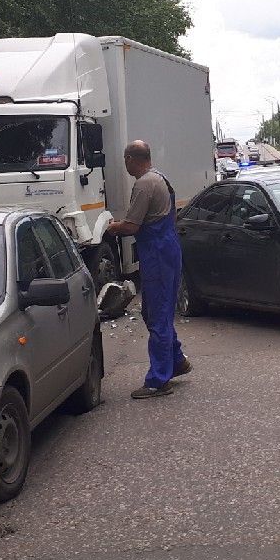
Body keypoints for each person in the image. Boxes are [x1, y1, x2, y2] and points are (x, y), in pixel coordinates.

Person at [105, 140, 193, 399]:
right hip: (166, 247)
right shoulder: (160, 178)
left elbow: (131, 227)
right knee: (154, 310)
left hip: (156, 253)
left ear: (131, 158)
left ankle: (159, 380)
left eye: (125, 159)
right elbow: (170, 217)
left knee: (158, 314)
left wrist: (112, 227)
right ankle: (177, 361)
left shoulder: (143, 184)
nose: (125, 164)